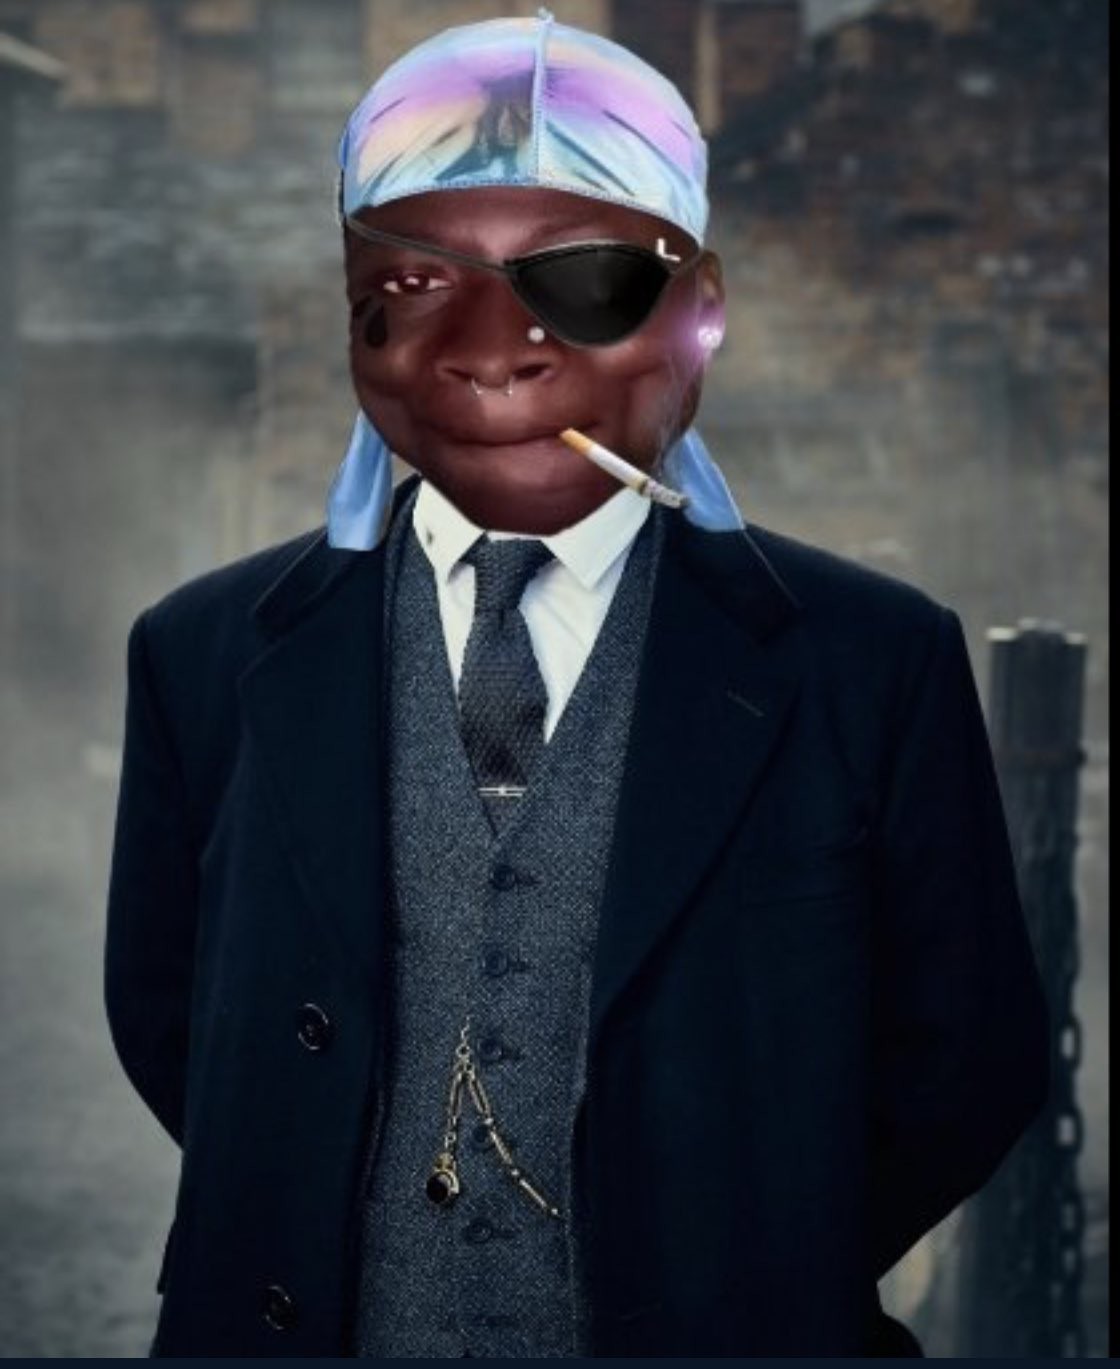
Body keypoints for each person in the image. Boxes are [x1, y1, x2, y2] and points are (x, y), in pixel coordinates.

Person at [104, 11, 1048, 1359]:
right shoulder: (202, 653)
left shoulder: (870, 661)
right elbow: (173, 1020)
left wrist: (755, 1265)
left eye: (587, 280)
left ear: (703, 304)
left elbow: (968, 1056)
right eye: (417, 282)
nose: (498, 350)